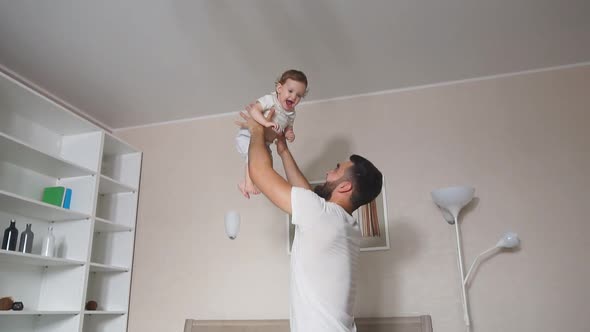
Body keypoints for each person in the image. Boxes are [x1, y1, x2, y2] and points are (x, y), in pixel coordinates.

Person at [236, 107, 383, 332]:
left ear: (345, 186)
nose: (328, 173)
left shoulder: (323, 215)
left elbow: (259, 171)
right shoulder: (345, 224)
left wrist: (257, 128)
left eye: (336, 170)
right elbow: (308, 195)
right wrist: (283, 150)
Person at [235, 69, 308, 199]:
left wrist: (289, 134)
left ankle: (247, 183)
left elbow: (288, 127)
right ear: (279, 88)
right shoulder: (271, 99)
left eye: (298, 96)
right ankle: (248, 183)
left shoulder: (292, 113)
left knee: (267, 162)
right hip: (249, 135)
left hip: (265, 143)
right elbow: (254, 110)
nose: (293, 97)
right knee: (252, 156)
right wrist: (265, 122)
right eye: (290, 91)